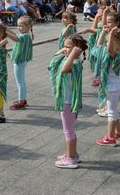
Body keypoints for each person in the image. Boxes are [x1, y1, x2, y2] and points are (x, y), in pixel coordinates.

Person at [48, 34, 87, 169]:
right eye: (64, 46)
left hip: (68, 101)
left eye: (67, 47)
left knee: (68, 131)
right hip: (66, 100)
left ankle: (71, 159)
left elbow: (64, 70)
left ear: (76, 49)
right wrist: (64, 51)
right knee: (69, 130)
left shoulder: (74, 62)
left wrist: (73, 53)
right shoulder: (70, 59)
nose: (64, 49)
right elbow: (53, 62)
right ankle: (71, 153)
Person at [95, 27, 120, 146]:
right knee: (114, 110)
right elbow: (98, 45)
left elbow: (109, 50)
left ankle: (110, 137)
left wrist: (112, 34)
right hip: (114, 86)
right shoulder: (114, 52)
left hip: (113, 87)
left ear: (118, 44)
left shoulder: (117, 55)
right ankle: (118, 132)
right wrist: (103, 33)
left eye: (110, 42)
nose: (107, 44)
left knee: (111, 112)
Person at [6, 16, 34, 110]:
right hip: (22, 60)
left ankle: (21, 101)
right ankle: (23, 99)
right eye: (18, 25)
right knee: (21, 81)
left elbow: (16, 39)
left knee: (20, 82)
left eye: (21, 26)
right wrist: (7, 29)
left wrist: (5, 32)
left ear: (28, 26)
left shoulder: (25, 36)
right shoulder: (26, 34)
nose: (19, 28)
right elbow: (16, 35)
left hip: (20, 61)